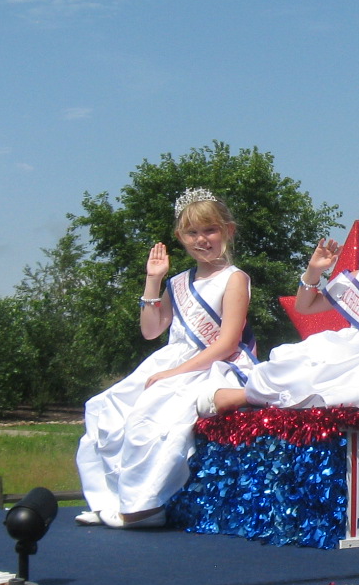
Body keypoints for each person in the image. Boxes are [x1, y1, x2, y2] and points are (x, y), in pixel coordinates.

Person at [76, 189, 255, 528]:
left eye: (210, 230)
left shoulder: (235, 279)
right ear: (180, 237)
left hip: (213, 365)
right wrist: (153, 280)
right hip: (172, 361)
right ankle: (108, 499)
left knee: (152, 414)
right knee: (105, 406)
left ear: (228, 231)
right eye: (192, 233)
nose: (201, 239)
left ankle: (144, 507)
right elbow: (151, 331)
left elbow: (228, 342)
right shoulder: (177, 283)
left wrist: (174, 373)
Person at [205, 183, 359, 413]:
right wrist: (313, 272)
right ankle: (245, 395)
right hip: (351, 350)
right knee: (302, 366)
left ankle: (249, 397)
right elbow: (305, 306)